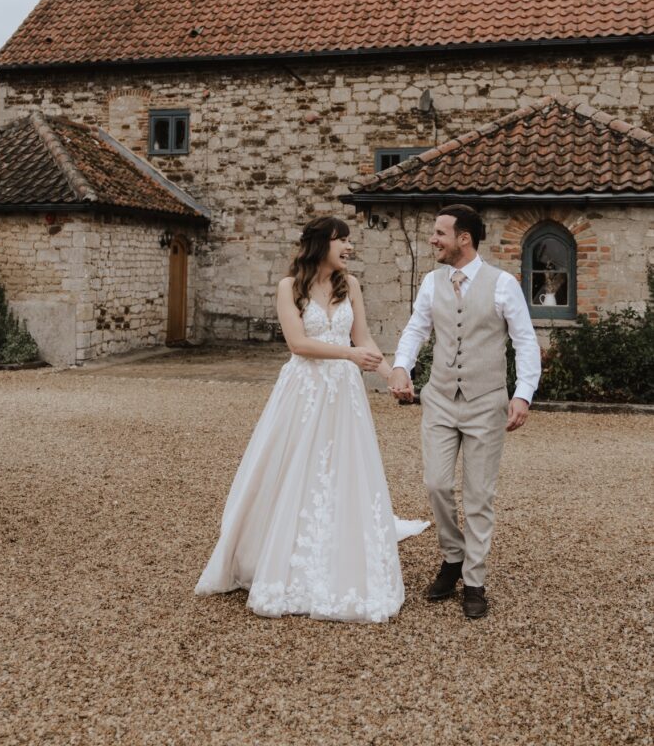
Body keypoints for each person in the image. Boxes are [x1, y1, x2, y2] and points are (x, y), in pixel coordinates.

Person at [195, 216, 428, 623]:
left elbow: (364, 339)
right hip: (304, 390)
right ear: (321, 243)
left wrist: (390, 372)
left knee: (342, 469)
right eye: (343, 240)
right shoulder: (290, 287)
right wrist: (350, 356)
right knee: (294, 467)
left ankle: (339, 551)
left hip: (344, 394)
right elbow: (298, 343)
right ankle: (276, 556)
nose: (349, 247)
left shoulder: (349, 285)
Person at [388, 205, 541, 619]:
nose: (433, 239)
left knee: (478, 497)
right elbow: (417, 329)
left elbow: (525, 342)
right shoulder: (431, 282)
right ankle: (452, 556)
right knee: (437, 485)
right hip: (438, 399)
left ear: (464, 239)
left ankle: (474, 579)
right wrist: (402, 365)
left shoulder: (502, 285)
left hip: (486, 403)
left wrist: (523, 393)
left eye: (440, 233)